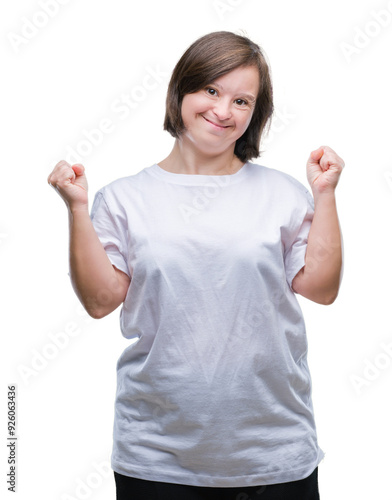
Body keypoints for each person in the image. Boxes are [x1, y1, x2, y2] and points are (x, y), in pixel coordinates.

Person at [47, 31, 344, 500]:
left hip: (274, 456)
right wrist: (76, 210)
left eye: (242, 100)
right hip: (156, 458)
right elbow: (101, 301)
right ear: (181, 91)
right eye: (211, 90)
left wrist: (324, 195)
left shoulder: (284, 194)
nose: (223, 111)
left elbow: (323, 289)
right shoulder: (124, 199)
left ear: (256, 115)